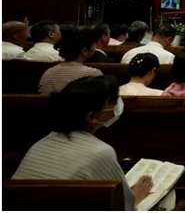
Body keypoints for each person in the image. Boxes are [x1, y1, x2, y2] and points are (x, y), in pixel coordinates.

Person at [12, 76, 153, 211]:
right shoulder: (100, 152)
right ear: (92, 116)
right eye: (114, 101)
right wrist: (136, 196)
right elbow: (124, 206)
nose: (118, 104)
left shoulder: (42, 143)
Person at [39, 26, 103, 95]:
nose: (95, 48)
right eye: (94, 45)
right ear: (84, 51)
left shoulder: (48, 73)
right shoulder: (94, 75)